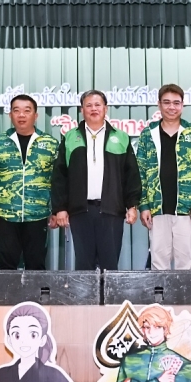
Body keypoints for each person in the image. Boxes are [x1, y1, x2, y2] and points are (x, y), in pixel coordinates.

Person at [49, 90, 141, 271]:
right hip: (80, 211)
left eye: (98, 105)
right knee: (84, 266)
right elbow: (60, 176)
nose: (93, 109)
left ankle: (108, 292)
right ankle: (86, 292)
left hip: (112, 210)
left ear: (105, 108)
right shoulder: (70, 137)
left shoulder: (121, 137)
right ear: (81, 110)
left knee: (110, 265)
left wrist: (132, 205)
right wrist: (60, 208)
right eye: (88, 105)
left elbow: (131, 174)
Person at [0, 94, 60, 271]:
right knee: (5, 264)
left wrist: (55, 210)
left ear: (36, 115)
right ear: (10, 115)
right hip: (5, 214)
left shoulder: (50, 143)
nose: (21, 115)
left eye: (27, 111)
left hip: (38, 214)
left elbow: (57, 180)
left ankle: (34, 291)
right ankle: (6, 291)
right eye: (16, 111)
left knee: (36, 264)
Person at [135, 85, 191, 270]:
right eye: (166, 102)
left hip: (186, 209)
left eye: (176, 103)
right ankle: (160, 292)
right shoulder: (148, 134)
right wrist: (143, 205)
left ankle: (184, 292)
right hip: (157, 209)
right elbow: (140, 172)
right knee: (158, 264)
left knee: (185, 264)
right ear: (159, 104)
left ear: (182, 105)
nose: (171, 107)